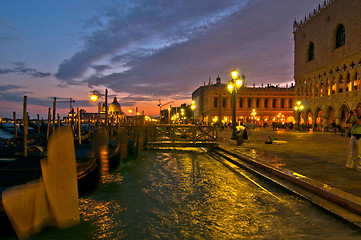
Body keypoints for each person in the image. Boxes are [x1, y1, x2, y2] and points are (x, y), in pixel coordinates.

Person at [345, 105, 361, 171]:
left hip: (359, 136)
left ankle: (359, 166)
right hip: (353, 136)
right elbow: (347, 122)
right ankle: (349, 165)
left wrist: (355, 115)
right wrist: (350, 115)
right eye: (356, 109)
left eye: (358, 109)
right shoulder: (354, 116)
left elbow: (359, 123)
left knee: (359, 153)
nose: (357, 110)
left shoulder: (357, 117)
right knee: (350, 151)